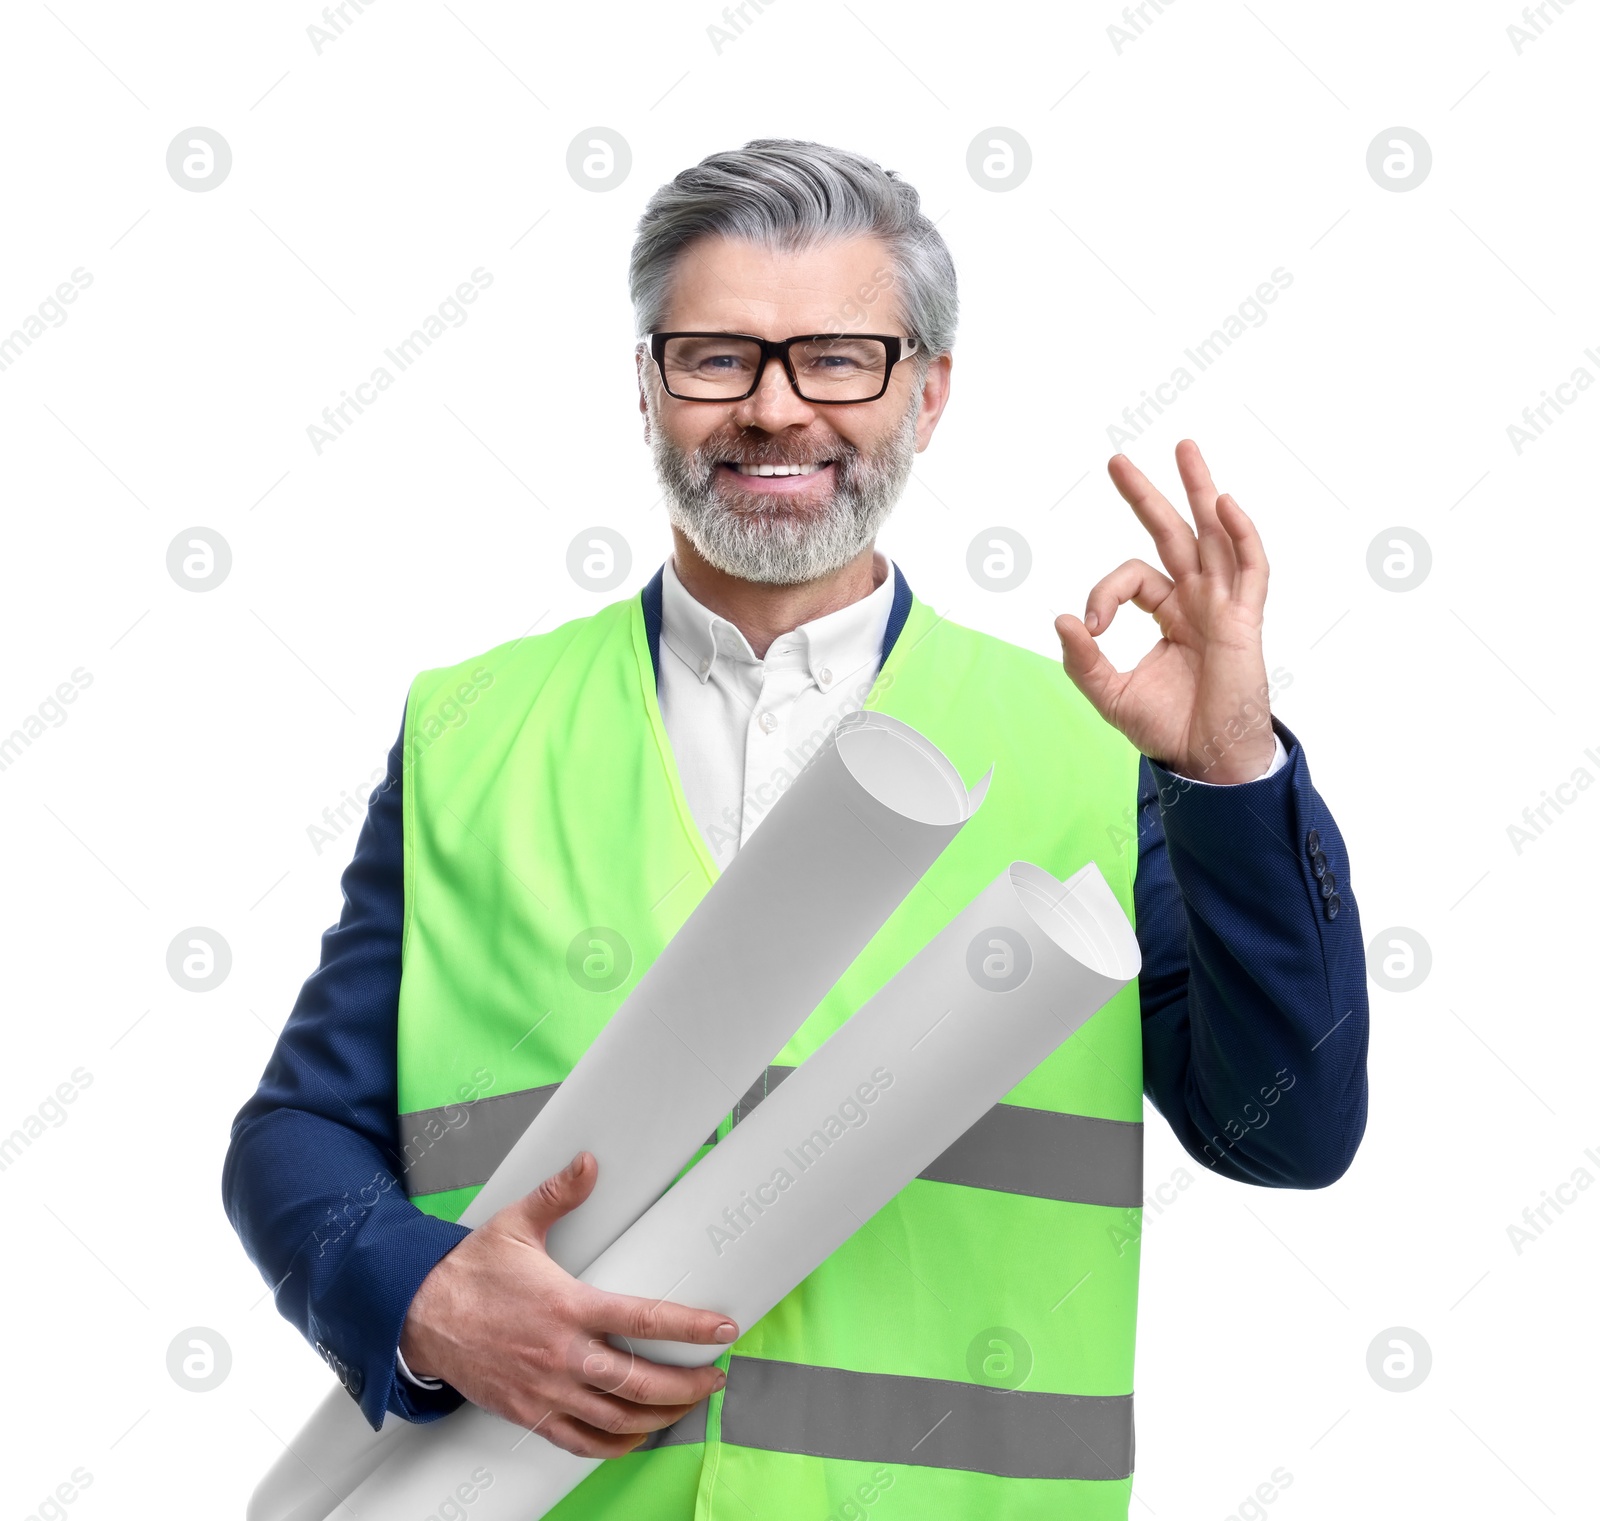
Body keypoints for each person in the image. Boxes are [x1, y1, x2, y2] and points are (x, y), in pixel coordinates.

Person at [224, 139, 1368, 1519]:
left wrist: (1231, 770)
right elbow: (298, 1128)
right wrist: (418, 1291)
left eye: (840, 358)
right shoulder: (476, 726)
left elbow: (1287, 1131)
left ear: (930, 393)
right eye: (717, 357)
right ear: (646, 385)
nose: (774, 410)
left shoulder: (1093, 742)